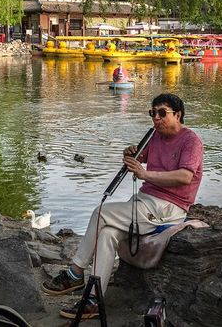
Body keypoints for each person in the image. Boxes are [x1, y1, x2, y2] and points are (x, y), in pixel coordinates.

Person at [41, 93, 204, 321]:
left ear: (178, 115)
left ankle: (75, 273)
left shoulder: (191, 141)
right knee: (107, 234)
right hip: (145, 202)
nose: (156, 118)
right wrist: (130, 153)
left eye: (162, 113)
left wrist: (144, 173)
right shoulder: (155, 136)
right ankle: (94, 300)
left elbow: (185, 177)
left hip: (170, 206)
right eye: (152, 113)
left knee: (101, 212)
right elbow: (140, 156)